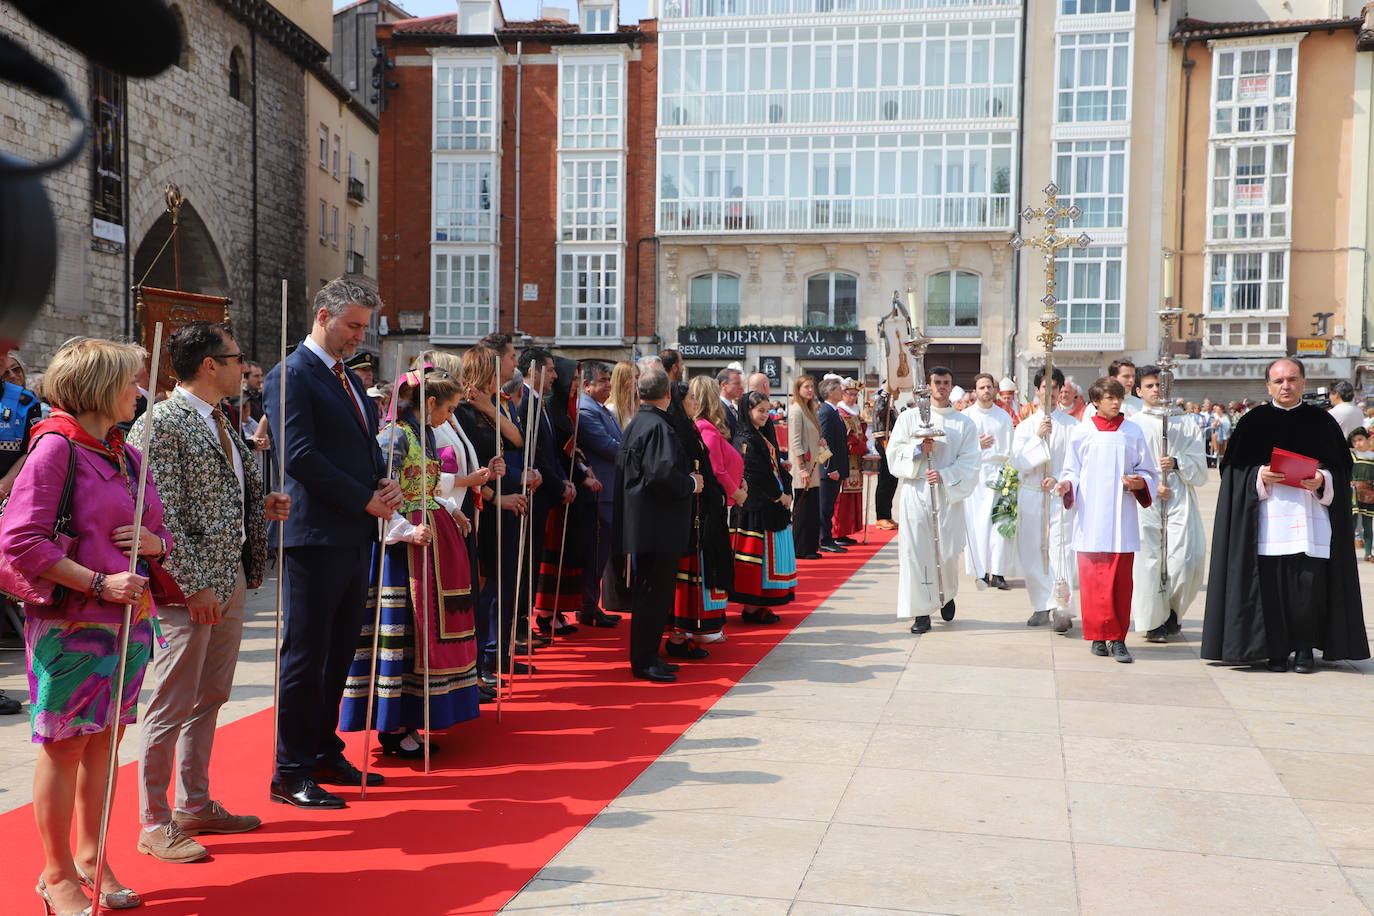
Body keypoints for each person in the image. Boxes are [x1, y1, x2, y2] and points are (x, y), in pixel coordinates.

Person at [0, 337, 173, 915]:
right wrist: (99, 583)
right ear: (101, 387)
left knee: (105, 742)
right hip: (73, 622)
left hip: (129, 622)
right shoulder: (55, 448)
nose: (139, 391)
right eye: (130, 381)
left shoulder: (125, 453)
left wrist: (156, 544)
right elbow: (19, 541)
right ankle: (54, 873)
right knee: (64, 746)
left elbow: (157, 529)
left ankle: (92, 856)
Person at [129, 323, 291, 864]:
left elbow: (216, 493)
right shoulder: (162, 423)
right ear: (208, 365)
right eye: (236, 357)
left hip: (231, 577)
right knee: (171, 702)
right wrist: (191, 582)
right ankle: (154, 820)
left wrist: (257, 506)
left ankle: (195, 803)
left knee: (211, 696)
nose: (245, 367)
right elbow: (159, 511)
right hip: (189, 586)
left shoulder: (219, 417)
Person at [264, 278, 401, 809]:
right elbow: (298, 455)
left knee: (339, 651)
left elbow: (360, 445)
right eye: (353, 325)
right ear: (324, 316)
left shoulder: (342, 376)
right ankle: (289, 768)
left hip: (350, 532)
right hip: (314, 535)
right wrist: (362, 498)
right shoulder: (292, 374)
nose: (358, 336)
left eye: (364, 327)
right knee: (306, 654)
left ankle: (322, 748)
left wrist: (381, 484)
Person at [340, 369, 480, 759]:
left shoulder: (428, 434)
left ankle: (417, 716)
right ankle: (394, 723)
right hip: (403, 548)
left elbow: (429, 486)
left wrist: (451, 509)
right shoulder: (394, 435)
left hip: (433, 540)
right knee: (406, 635)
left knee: (430, 633)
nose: (450, 417)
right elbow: (381, 492)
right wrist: (403, 529)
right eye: (447, 408)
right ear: (430, 403)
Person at [1202, 358, 1369, 672]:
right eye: (1278, 381)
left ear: (1304, 383)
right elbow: (1233, 471)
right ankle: (1276, 651)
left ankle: (1304, 649)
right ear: (1268, 386)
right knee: (1271, 586)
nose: (1286, 386)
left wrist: (1323, 480)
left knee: (1307, 587)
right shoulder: (1253, 422)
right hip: (1267, 520)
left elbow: (1341, 468)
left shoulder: (1322, 423)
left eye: (1292, 379)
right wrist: (1259, 475)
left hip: (1310, 520)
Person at [1056, 377, 1156, 663]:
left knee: (1119, 581)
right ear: (1095, 402)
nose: (1115, 402)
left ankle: (1118, 638)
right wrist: (1066, 485)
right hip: (1090, 517)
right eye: (1109, 398)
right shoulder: (1082, 432)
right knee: (1092, 580)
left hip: (1121, 516)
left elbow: (1147, 470)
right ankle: (1097, 636)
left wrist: (1140, 483)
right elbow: (1071, 470)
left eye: (1118, 397)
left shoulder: (1133, 431)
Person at [616, 365, 704, 682]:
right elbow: (662, 475)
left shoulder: (639, 423)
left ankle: (649, 654)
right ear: (668, 394)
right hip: (657, 525)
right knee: (654, 594)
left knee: (653, 593)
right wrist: (692, 483)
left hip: (647, 523)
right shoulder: (657, 427)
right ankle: (644, 660)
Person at [887, 366, 979, 633]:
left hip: (947, 494)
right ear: (928, 386)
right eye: (937, 382)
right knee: (917, 552)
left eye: (946, 382)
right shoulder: (909, 418)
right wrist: (918, 450)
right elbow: (894, 454)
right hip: (917, 492)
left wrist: (946, 475)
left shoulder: (964, 423)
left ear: (952, 387)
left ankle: (946, 593)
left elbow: (971, 461)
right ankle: (921, 612)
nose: (941, 386)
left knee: (948, 552)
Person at [452, 345, 521, 696]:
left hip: (491, 503)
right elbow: (463, 468)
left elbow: (517, 439)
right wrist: (497, 496)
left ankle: (479, 666)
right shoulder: (461, 413)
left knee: (489, 588)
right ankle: (474, 668)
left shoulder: (486, 410)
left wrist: (489, 406)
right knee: (477, 592)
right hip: (477, 505)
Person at [1129, 366, 1207, 643]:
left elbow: (1200, 468)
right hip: (1145, 500)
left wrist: (1177, 463)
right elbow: (1125, 467)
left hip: (1179, 495)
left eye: (1160, 386)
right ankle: (1152, 622)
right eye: (1149, 386)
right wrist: (1149, 484)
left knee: (1185, 560)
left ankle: (1173, 611)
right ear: (1138, 391)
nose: (1156, 390)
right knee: (1148, 561)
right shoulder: (1132, 424)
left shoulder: (1185, 422)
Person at [1010, 368, 1078, 631]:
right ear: (1036, 390)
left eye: (1054, 387)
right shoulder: (1026, 426)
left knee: (1061, 549)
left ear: (1060, 390)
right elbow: (1018, 462)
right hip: (1031, 492)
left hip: (1058, 495)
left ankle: (1061, 606)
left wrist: (1060, 479)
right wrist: (1038, 437)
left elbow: (1077, 464)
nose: (1048, 393)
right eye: (1043, 387)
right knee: (1032, 549)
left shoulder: (1073, 426)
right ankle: (1041, 603)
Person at [681, 376, 744, 645]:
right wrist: (735, 491)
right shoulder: (705, 427)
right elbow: (716, 469)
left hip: (718, 503)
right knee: (709, 564)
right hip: (711, 506)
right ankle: (704, 625)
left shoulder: (707, 426)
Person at [730, 391, 798, 622]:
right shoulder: (744, 438)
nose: (765, 416)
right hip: (755, 507)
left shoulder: (760, 435)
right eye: (759, 411)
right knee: (755, 558)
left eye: (767, 411)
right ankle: (751, 607)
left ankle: (761, 603)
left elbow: (771, 466)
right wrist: (779, 495)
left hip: (768, 505)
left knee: (768, 558)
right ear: (747, 411)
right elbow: (755, 474)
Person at [576, 361, 623, 628]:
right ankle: (588, 606)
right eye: (603, 380)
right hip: (599, 491)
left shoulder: (599, 408)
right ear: (587, 385)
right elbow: (609, 446)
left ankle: (591, 605)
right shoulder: (586, 411)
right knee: (595, 553)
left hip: (609, 488)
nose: (609, 385)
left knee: (601, 552)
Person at [962, 372, 1014, 590]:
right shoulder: (966, 417)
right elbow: (960, 449)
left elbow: (1011, 449)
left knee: (1000, 523)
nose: (985, 391)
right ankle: (979, 571)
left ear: (995, 389)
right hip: (976, 473)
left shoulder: (1004, 417)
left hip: (1000, 472)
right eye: (981, 387)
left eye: (989, 387)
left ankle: (999, 572)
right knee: (977, 524)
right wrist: (976, 446)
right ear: (975, 391)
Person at [787, 375, 825, 560]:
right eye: (806, 387)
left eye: (812, 386)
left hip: (813, 465)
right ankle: (801, 548)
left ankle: (810, 546)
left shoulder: (810, 409)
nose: (810, 390)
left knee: (812, 509)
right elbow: (795, 442)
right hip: (804, 466)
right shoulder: (796, 411)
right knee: (803, 509)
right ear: (798, 389)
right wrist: (801, 467)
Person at [0, 350, 43, 501]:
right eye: (6, 373)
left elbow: (32, 448)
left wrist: (4, 486)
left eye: (16, 369)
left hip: (13, 488)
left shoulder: (29, 402)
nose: (12, 375)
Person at [816, 378, 850, 554]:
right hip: (829, 469)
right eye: (838, 389)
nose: (842, 391)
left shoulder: (833, 411)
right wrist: (830, 468)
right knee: (825, 506)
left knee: (829, 505)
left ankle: (827, 537)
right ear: (829, 392)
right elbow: (825, 442)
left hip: (836, 466)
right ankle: (824, 539)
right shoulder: (825, 412)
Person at [830, 379, 866, 544]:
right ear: (842, 394)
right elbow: (847, 439)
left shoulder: (855, 413)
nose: (853, 398)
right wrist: (859, 445)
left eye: (855, 395)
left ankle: (846, 531)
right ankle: (837, 533)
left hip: (855, 462)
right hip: (845, 460)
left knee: (852, 499)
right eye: (850, 394)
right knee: (841, 500)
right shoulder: (840, 413)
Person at [871, 385, 900, 530]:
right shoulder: (881, 404)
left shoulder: (892, 408)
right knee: (884, 483)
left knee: (892, 482)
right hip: (884, 445)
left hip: (893, 446)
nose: (899, 392)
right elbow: (879, 411)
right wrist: (886, 392)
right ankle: (881, 516)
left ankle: (887, 514)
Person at [1350, 428, 1374, 563]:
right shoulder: (1352, 457)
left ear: (1368, 439)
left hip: (1370, 493)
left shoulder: (1372, 457)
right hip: (1353, 492)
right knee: (1352, 524)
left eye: (1360, 440)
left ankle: (1368, 553)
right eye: (1354, 441)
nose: (1357, 443)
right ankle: (1349, 553)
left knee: (1368, 524)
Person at [604, 360, 639, 431]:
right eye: (630, 377)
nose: (635, 381)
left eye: (637, 377)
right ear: (621, 380)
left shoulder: (636, 407)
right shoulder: (611, 409)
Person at [716, 367, 743, 441]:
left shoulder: (733, 408)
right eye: (737, 384)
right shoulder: (717, 408)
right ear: (724, 385)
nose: (740, 387)